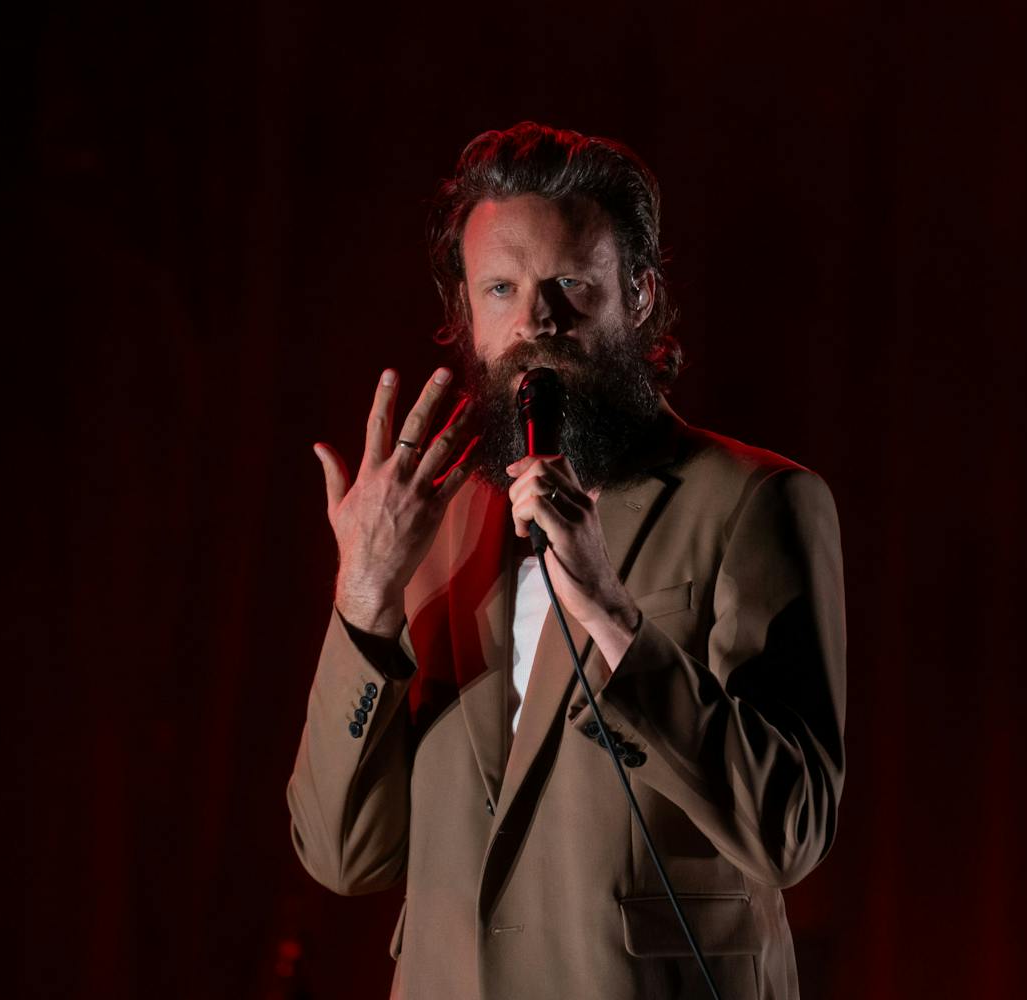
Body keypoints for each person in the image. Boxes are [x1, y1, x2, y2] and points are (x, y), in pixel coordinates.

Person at [289, 122, 846, 1000]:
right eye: (501, 289)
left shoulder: (755, 502)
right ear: (466, 314)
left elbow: (791, 830)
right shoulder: (426, 528)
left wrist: (611, 613)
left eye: (571, 285)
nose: (535, 321)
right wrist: (364, 596)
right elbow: (341, 856)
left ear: (641, 294)